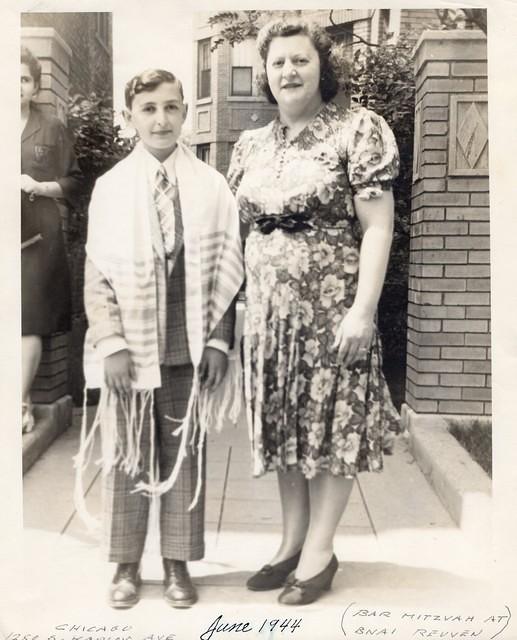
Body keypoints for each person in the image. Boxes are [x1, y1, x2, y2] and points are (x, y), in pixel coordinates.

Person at [227, 19, 400, 606]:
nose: (288, 72)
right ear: (265, 73)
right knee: (286, 427)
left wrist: (363, 309)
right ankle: (290, 543)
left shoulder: (357, 131)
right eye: (278, 63)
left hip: (333, 311)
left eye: (300, 61)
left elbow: (378, 228)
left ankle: (321, 552)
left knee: (331, 427)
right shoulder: (251, 145)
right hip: (272, 318)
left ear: (322, 67)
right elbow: (240, 234)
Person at [78, 69, 243, 609]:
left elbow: (226, 270)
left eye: (172, 108)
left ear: (185, 114)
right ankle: (126, 564)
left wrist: (219, 343)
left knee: (184, 452)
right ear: (130, 118)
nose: (161, 119)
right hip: (131, 347)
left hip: (188, 344)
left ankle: (176, 562)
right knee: (128, 453)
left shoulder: (210, 186)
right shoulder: (111, 188)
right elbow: (98, 273)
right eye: (148, 109)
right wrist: (111, 343)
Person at [20, 45, 82, 432]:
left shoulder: (52, 128)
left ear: (34, 85)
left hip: (36, 240)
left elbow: (75, 183)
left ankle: (19, 404)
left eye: (23, 79)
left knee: (28, 323)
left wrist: (39, 186)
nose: (14, 86)